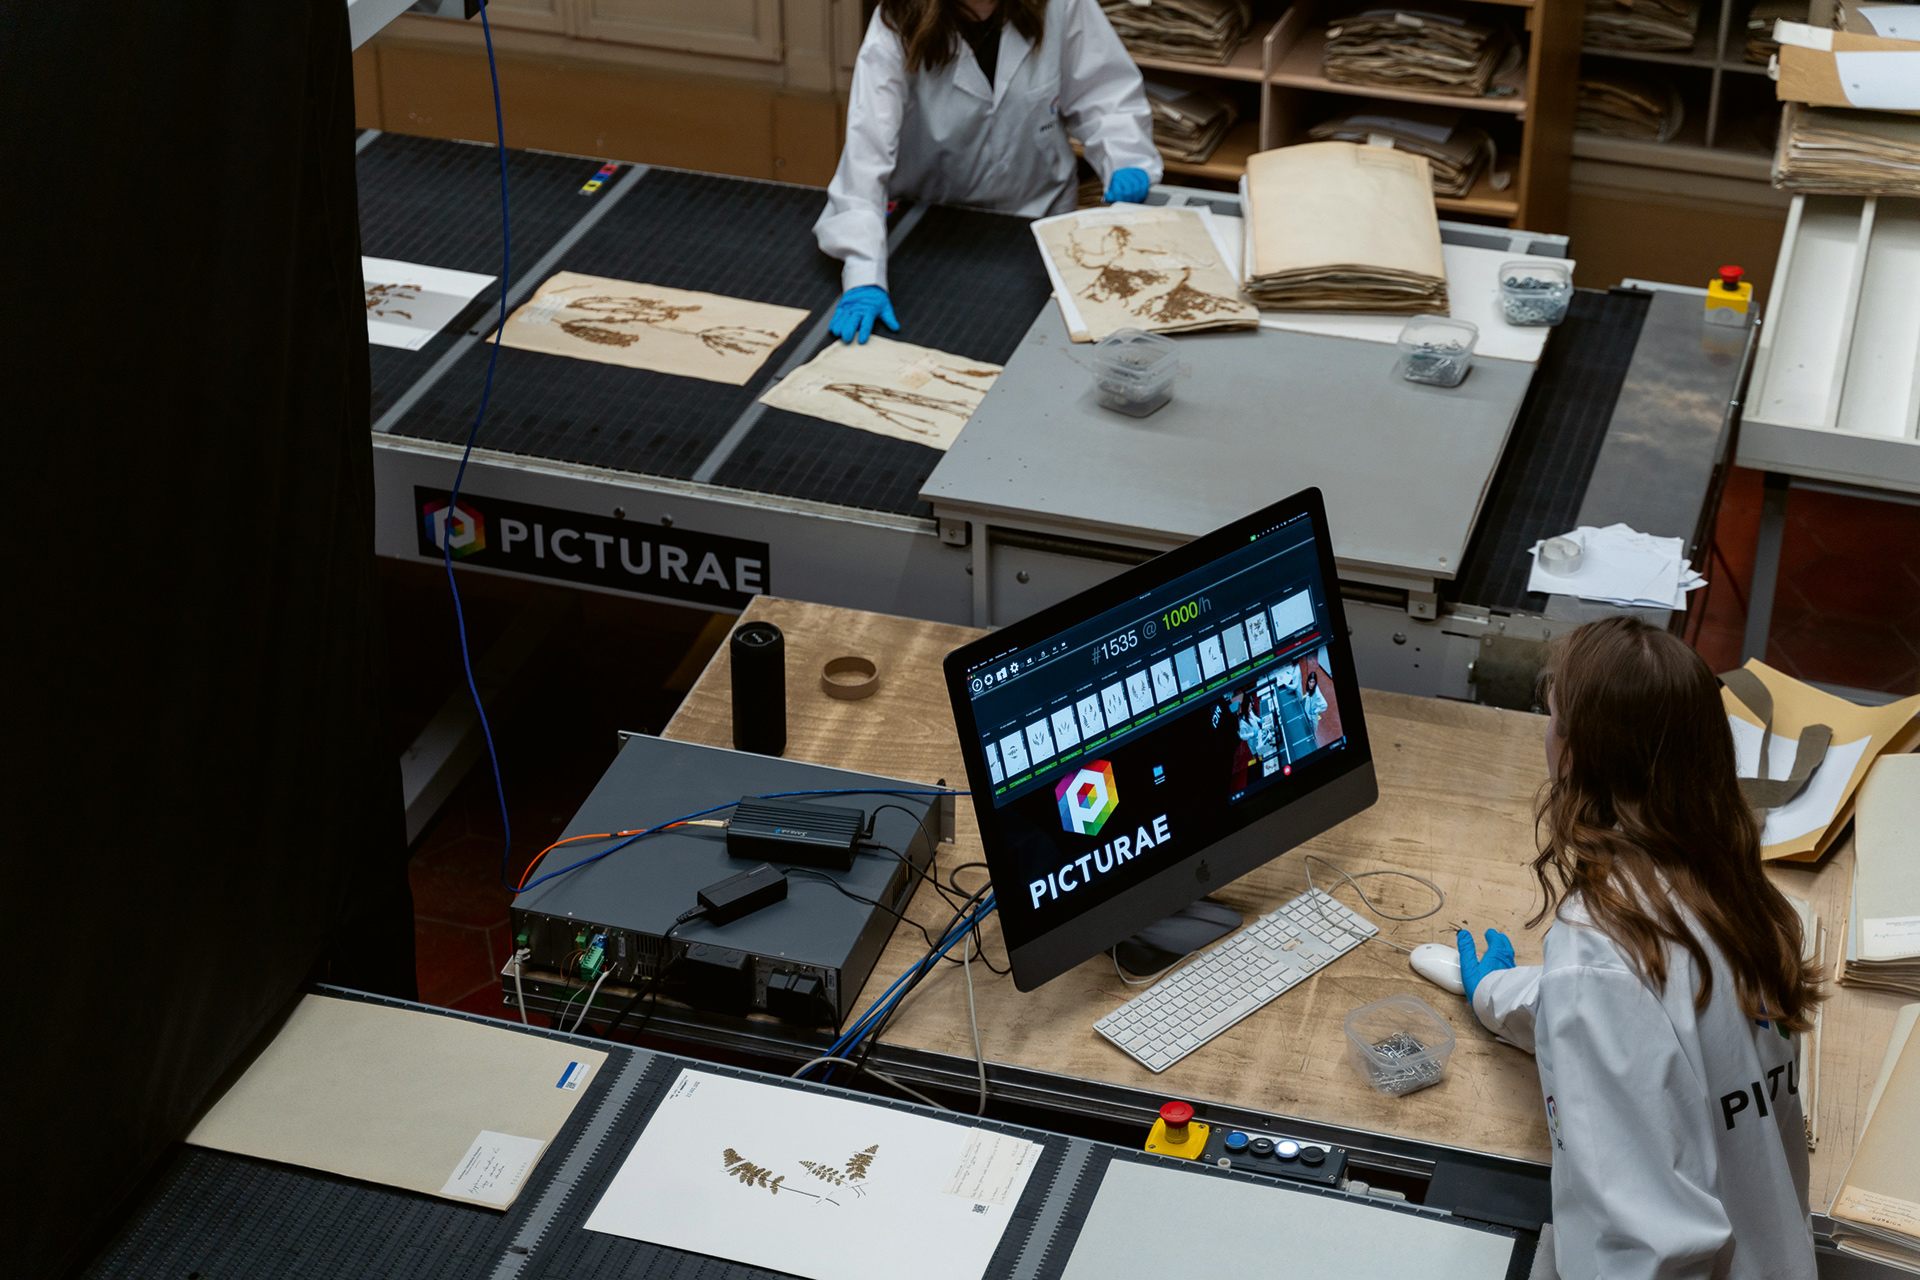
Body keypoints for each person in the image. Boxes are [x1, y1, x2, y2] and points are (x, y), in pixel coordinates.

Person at [1456, 617, 1821, 1280]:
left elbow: (1646, 1250)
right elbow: (1664, 1032)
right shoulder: (1730, 889)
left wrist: (1562, 988)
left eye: (1553, 717)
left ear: (1575, 755)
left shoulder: (1601, 947)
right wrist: (1497, 994)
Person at [815, 0, 1161, 342]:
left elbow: (1104, 96)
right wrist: (864, 274)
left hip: (1037, 219)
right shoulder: (898, 20)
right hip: (933, 229)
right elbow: (865, 155)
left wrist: (1126, 158)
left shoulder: (1061, 5)